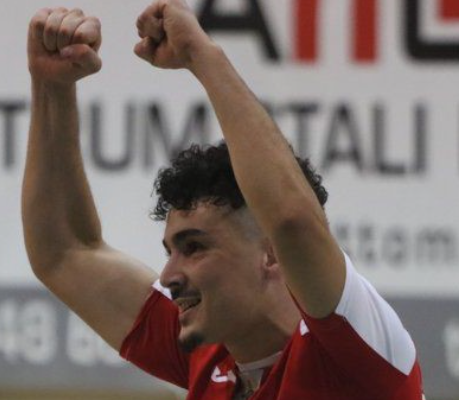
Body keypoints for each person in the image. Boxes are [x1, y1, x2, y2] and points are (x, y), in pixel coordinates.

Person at [22, 1, 424, 399]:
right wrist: (51, 86)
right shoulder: (208, 346)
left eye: (194, 247)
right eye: (171, 251)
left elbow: (291, 220)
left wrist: (201, 55)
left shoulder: (350, 349)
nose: (168, 276)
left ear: (272, 253)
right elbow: (64, 252)